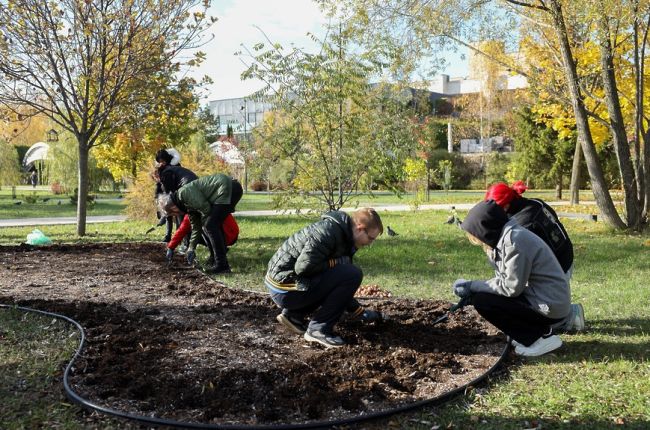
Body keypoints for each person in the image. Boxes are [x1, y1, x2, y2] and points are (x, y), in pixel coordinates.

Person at [453, 200, 571, 357]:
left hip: (549, 305)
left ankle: (541, 339)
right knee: (483, 297)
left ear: (485, 228)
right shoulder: (505, 238)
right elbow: (505, 279)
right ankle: (536, 332)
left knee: (484, 302)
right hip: (542, 298)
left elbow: (510, 288)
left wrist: (472, 286)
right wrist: (473, 290)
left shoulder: (514, 242)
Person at [264, 208, 384, 348]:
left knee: (347, 273)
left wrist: (359, 312)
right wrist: (335, 263)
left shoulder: (343, 235)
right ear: (360, 228)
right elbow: (303, 268)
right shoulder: (328, 232)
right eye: (371, 238)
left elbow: (336, 284)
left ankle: (293, 316)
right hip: (284, 288)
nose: (370, 244)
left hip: (287, 285)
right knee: (353, 273)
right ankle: (318, 330)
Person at [484, 181, 584, 332]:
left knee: (540, 315)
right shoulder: (535, 203)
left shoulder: (522, 224)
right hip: (565, 253)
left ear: (505, 207)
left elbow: (520, 263)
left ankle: (570, 316)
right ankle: (563, 314)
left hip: (558, 265)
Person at [157, 173, 243, 274]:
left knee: (210, 225)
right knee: (209, 226)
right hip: (226, 189)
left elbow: (206, 209)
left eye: (174, 213)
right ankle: (220, 263)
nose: (176, 215)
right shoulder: (187, 205)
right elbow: (196, 228)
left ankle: (221, 265)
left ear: (173, 207)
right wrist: (191, 249)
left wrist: (205, 226)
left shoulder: (184, 194)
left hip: (228, 187)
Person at [153, 148, 197, 243]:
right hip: (181, 191)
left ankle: (180, 238)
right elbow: (162, 188)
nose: (161, 163)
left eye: (162, 161)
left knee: (179, 215)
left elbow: (169, 188)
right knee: (173, 213)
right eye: (159, 161)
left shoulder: (169, 170)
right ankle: (169, 235)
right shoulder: (164, 170)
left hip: (181, 192)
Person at [165, 213, 239, 264]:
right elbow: (182, 230)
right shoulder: (193, 211)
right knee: (191, 231)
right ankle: (216, 253)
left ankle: (216, 256)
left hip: (229, 234)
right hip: (226, 233)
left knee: (204, 227)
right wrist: (171, 247)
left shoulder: (195, 211)